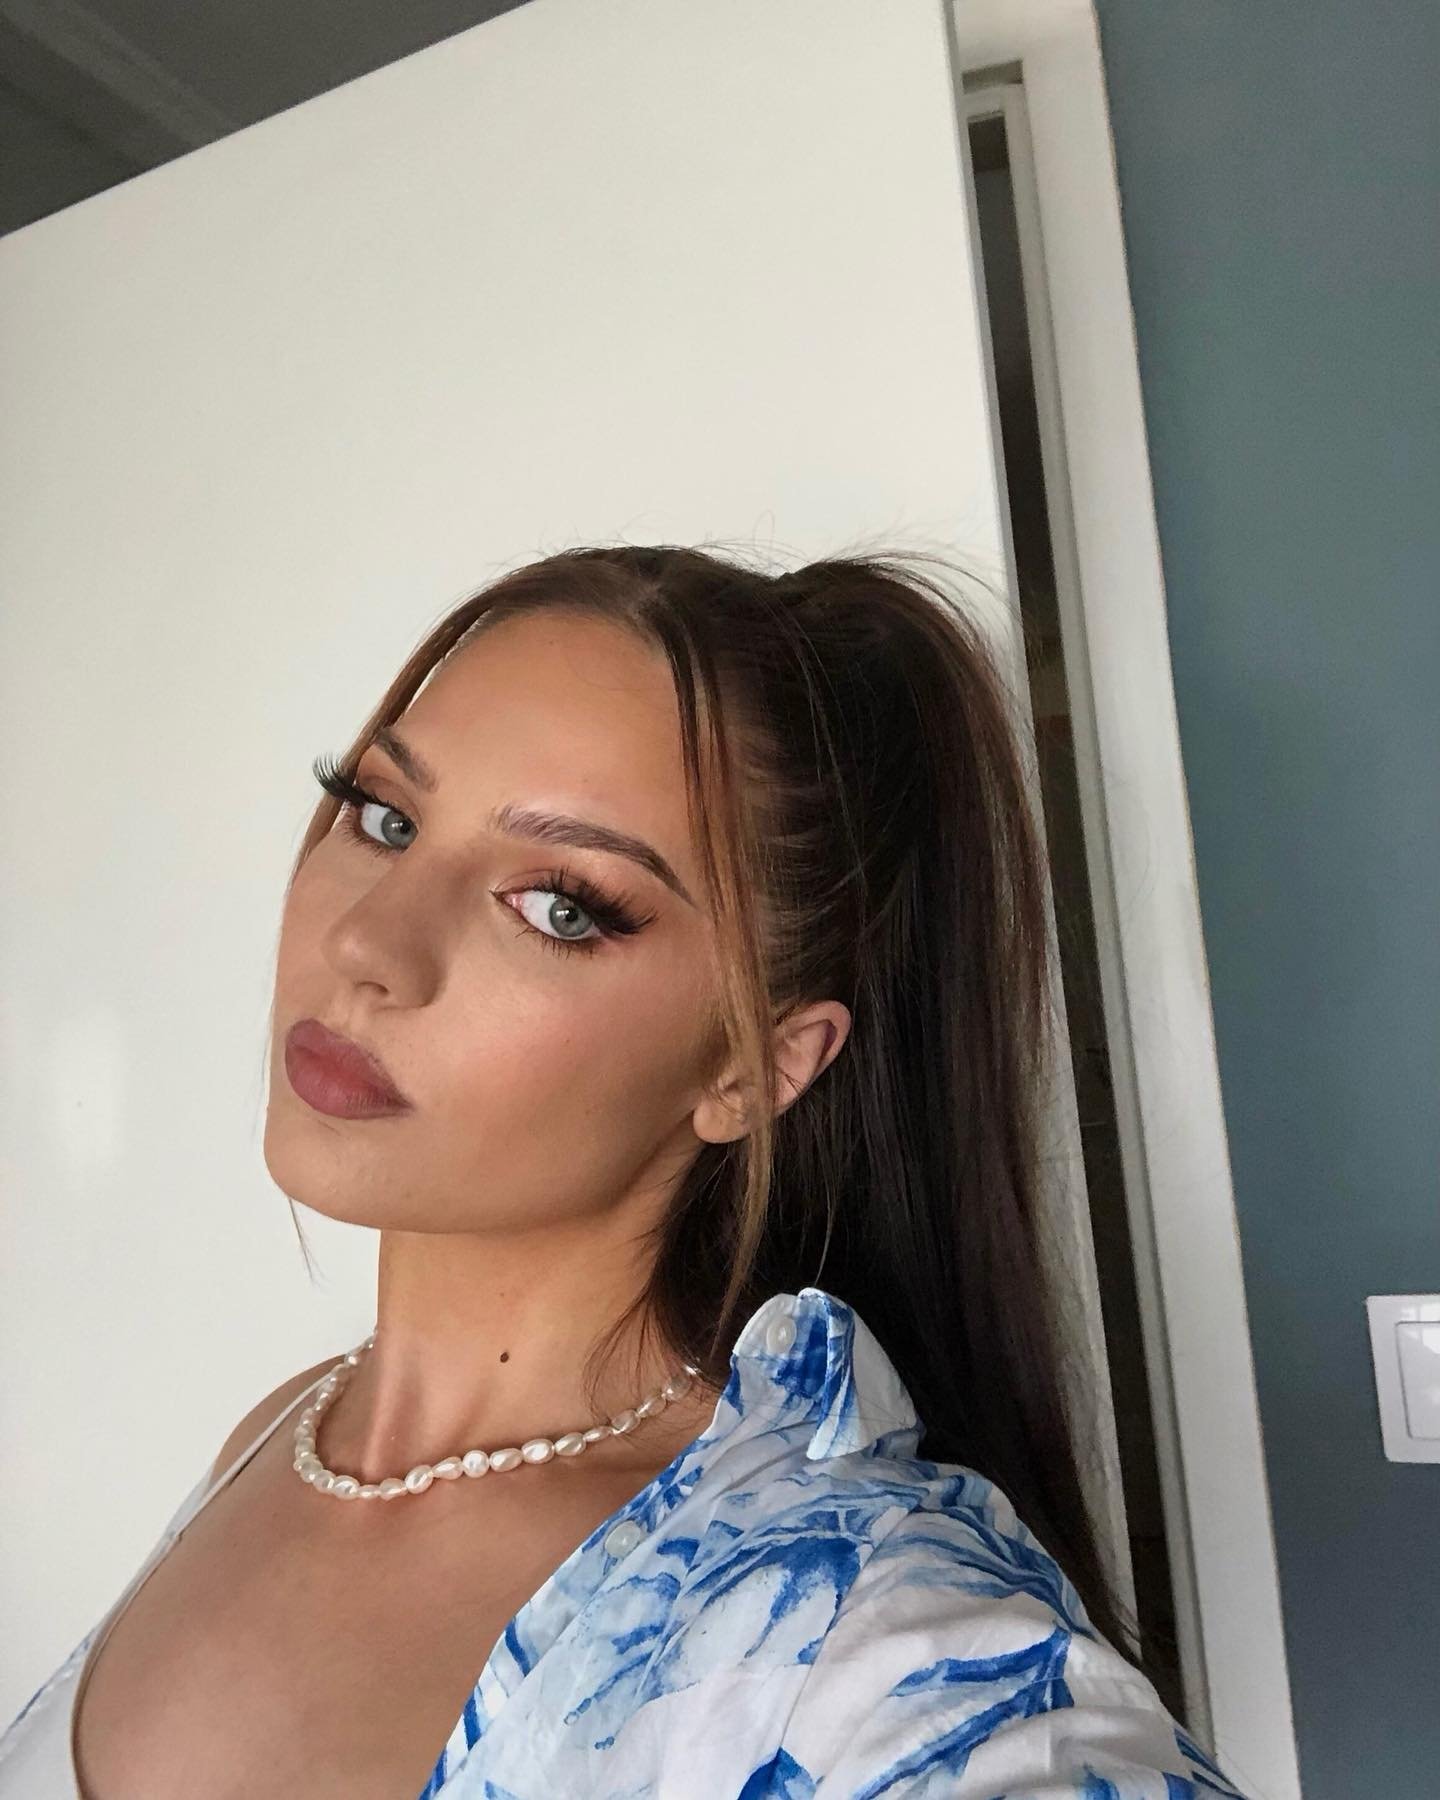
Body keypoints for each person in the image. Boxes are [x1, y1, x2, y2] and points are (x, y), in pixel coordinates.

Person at [0, 544, 1251, 1797]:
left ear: (754, 1067)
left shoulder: (858, 1636)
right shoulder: (280, 1438)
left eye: (560, 905)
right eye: (386, 819)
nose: (368, 941)